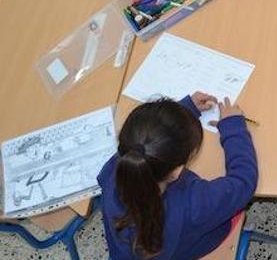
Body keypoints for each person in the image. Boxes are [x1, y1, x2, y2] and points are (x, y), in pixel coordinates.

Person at [98, 92, 258, 259]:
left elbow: (150, 142)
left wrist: (183, 114)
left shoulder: (120, 166)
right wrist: (234, 128)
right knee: (234, 207)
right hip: (185, 247)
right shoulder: (195, 202)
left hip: (133, 252)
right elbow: (243, 182)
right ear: (175, 172)